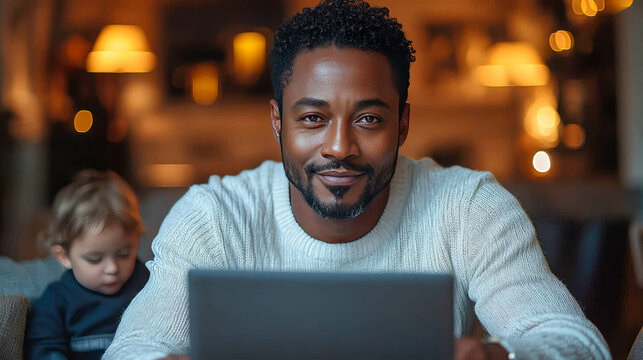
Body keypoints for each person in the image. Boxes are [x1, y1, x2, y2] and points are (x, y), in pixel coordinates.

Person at [104, 1, 611, 359]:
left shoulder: (468, 206)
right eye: (312, 119)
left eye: (368, 119)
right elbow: (133, 349)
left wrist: (494, 357)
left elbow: (579, 343)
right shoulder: (214, 217)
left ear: (403, 124)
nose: (340, 147)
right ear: (278, 122)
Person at [25, 170, 150, 359]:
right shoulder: (56, 299)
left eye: (124, 254)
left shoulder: (148, 285)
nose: (112, 268)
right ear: (64, 256)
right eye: (94, 259)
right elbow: (43, 347)